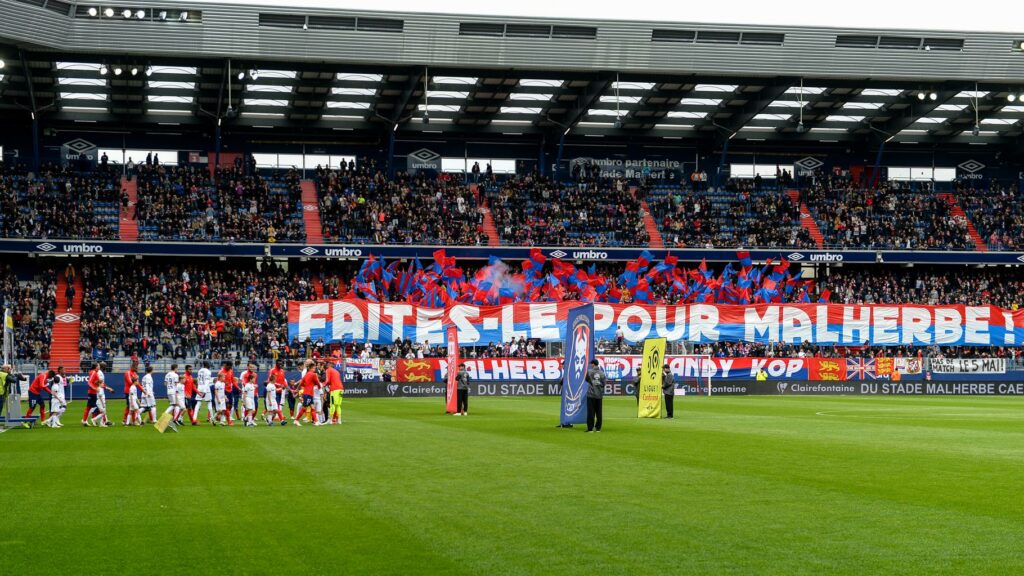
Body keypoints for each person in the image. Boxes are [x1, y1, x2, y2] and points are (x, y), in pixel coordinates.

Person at [293, 360, 319, 427]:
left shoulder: (306, 375)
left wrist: (296, 389)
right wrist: (319, 386)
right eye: (314, 368)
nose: (315, 369)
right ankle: (296, 420)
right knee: (304, 408)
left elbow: (301, 383)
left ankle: (316, 421)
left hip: (307, 393)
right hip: (308, 394)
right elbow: (317, 383)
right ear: (311, 368)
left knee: (312, 407)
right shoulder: (313, 374)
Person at [585, 359, 606, 433]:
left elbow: (586, 379)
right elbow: (604, 384)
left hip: (591, 394)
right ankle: (598, 428)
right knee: (599, 412)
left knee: (591, 412)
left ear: (593, 364)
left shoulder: (589, 371)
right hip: (599, 395)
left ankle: (590, 428)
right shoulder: (602, 373)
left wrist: (592, 383)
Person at [325, 358, 344, 425]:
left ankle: (330, 420)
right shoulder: (337, 371)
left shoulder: (328, 370)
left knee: (332, 404)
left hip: (334, 389)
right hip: (341, 389)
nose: (326, 364)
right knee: (338, 405)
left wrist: (323, 384)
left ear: (330, 365)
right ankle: (339, 420)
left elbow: (327, 380)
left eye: (327, 363)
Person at [163, 364, 181, 430]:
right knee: (177, 405)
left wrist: (169, 385)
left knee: (172, 405)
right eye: (177, 368)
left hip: (169, 391)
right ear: (175, 368)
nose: (177, 369)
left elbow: (165, 384)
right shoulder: (176, 375)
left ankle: (165, 414)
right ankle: (174, 419)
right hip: (173, 391)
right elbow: (176, 385)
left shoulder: (167, 374)